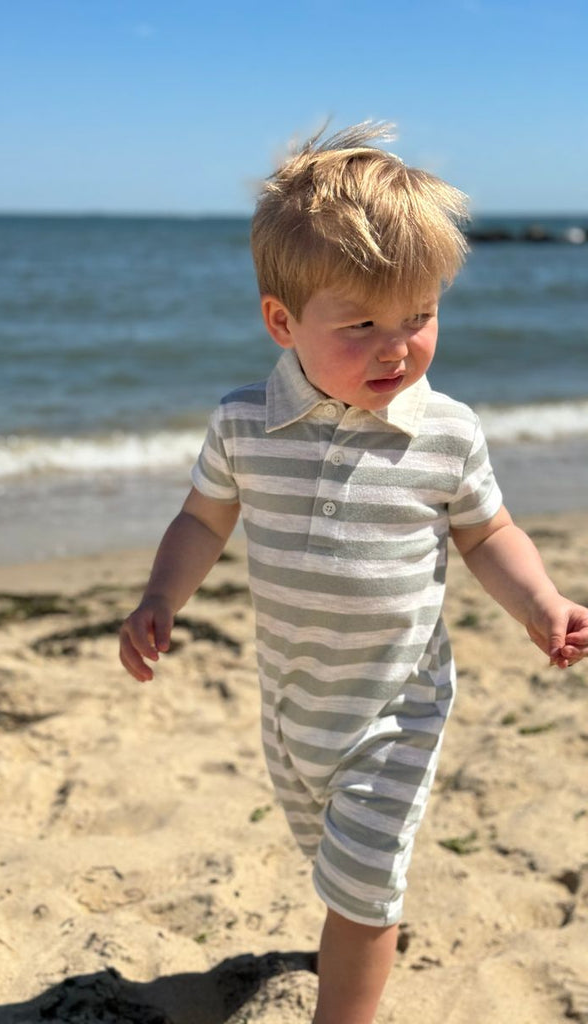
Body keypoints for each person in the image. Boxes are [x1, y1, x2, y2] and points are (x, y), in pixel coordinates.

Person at [118, 121, 588, 1024]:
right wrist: (160, 596)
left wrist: (541, 601)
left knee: (364, 892)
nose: (397, 347)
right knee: (331, 861)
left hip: (396, 707)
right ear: (282, 322)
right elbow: (204, 517)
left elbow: (488, 533)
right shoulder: (245, 424)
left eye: (420, 316)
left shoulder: (445, 431)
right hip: (295, 706)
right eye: (364, 323)